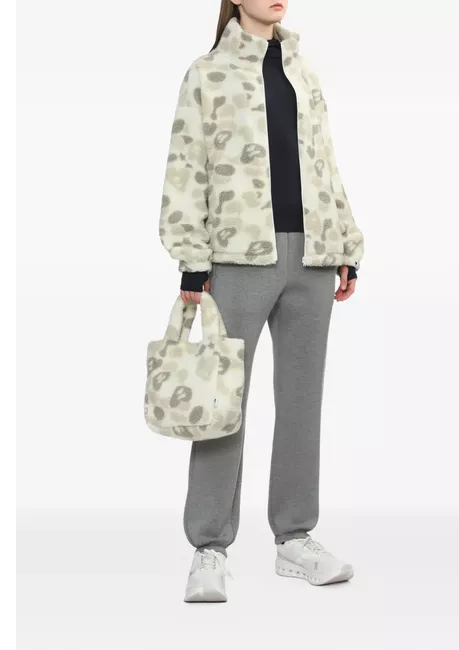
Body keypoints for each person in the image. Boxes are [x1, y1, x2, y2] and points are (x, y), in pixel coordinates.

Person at [158, 0, 364, 603]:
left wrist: (346, 243)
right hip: (237, 255)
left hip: (313, 256)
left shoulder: (304, 70)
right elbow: (186, 165)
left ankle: (295, 538)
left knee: (302, 401)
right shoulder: (207, 72)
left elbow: (325, 164)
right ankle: (209, 547)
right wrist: (192, 258)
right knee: (223, 403)